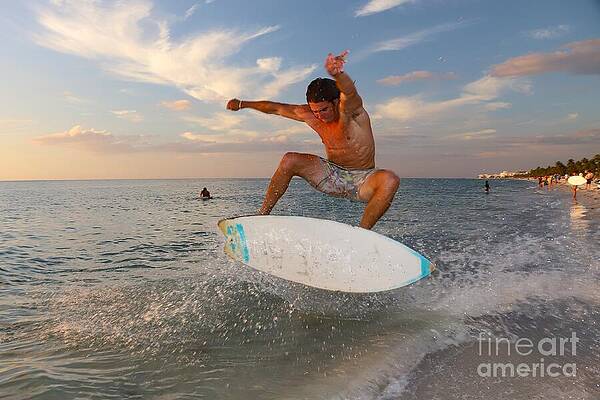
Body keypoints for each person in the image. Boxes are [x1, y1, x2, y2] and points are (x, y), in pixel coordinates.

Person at [226, 51, 399, 229]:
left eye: (323, 110)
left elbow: (349, 92)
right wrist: (242, 104)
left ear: (335, 102)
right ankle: (261, 216)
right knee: (289, 159)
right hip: (332, 175)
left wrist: (338, 74)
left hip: (363, 179)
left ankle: (362, 233)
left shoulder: (352, 112)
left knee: (390, 180)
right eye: (315, 111)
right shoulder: (310, 114)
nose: (319, 115)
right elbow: (275, 108)